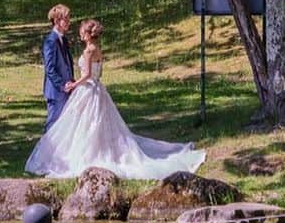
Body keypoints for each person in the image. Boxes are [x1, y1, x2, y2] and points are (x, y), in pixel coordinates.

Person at [25, 18, 205, 179]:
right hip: (97, 89)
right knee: (96, 124)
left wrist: (74, 84)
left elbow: (87, 74)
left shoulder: (88, 52)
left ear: (88, 35)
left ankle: (87, 156)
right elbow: (98, 73)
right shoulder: (98, 50)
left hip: (87, 89)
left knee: (86, 125)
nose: (79, 35)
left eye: (81, 32)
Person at [42, 3, 75, 132]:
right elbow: (50, 69)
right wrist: (62, 85)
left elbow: (67, 64)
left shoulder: (63, 40)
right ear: (56, 21)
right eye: (65, 19)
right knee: (52, 124)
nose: (68, 22)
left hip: (67, 89)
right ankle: (44, 151)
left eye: (68, 18)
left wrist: (71, 81)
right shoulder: (50, 41)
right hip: (56, 91)